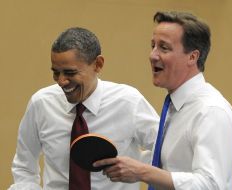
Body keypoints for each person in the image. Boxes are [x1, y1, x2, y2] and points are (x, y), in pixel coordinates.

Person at [93, 11, 232, 190]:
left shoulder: (211, 111)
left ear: (192, 57)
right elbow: (172, 166)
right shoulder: (174, 107)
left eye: (164, 48)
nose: (152, 55)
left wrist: (143, 172)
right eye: (153, 45)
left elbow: (211, 184)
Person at [8, 27, 159, 190]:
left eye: (70, 73)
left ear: (98, 64)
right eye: (56, 72)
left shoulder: (129, 102)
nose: (61, 81)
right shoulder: (41, 103)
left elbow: (165, 151)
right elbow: (24, 166)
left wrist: (140, 170)